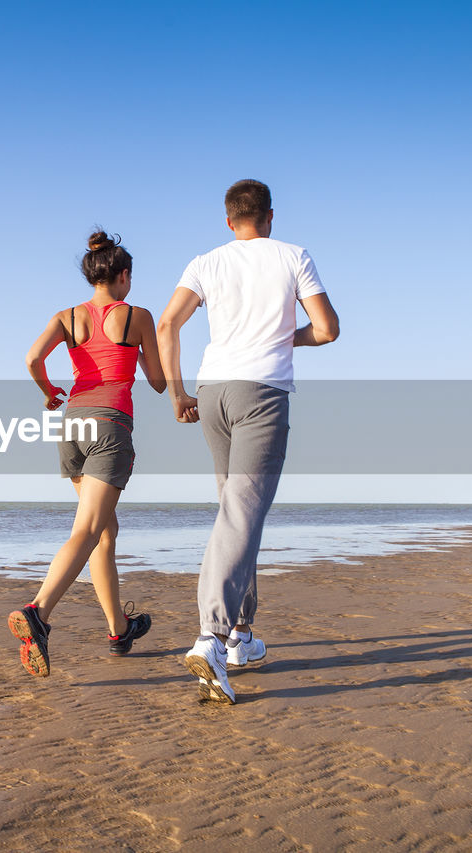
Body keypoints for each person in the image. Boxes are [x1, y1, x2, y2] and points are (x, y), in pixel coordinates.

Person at [157, 180, 340, 703]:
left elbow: (168, 323)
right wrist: (288, 336)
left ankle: (241, 637)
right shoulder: (292, 256)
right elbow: (326, 328)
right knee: (242, 513)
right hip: (261, 393)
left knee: (237, 512)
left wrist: (177, 395)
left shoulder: (206, 262)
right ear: (270, 216)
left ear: (228, 220)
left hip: (213, 392)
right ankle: (210, 637)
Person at [9, 230, 167, 677]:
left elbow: (31, 359)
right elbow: (156, 382)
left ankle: (119, 628)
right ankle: (38, 613)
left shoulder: (67, 316)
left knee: (104, 532)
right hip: (109, 426)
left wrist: (48, 392)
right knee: (87, 529)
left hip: (72, 425)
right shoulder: (136, 316)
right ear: (123, 276)